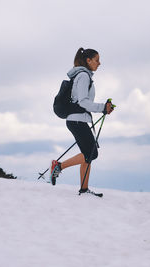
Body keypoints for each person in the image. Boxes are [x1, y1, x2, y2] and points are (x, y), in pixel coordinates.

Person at [49, 47, 114, 195]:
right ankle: (58, 166)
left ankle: (84, 189)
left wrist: (103, 108)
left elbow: (81, 102)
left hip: (78, 120)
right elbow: (83, 102)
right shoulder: (83, 76)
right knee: (91, 153)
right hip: (77, 120)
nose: (99, 63)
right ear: (88, 60)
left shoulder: (82, 76)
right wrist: (103, 107)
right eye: (96, 60)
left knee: (88, 154)